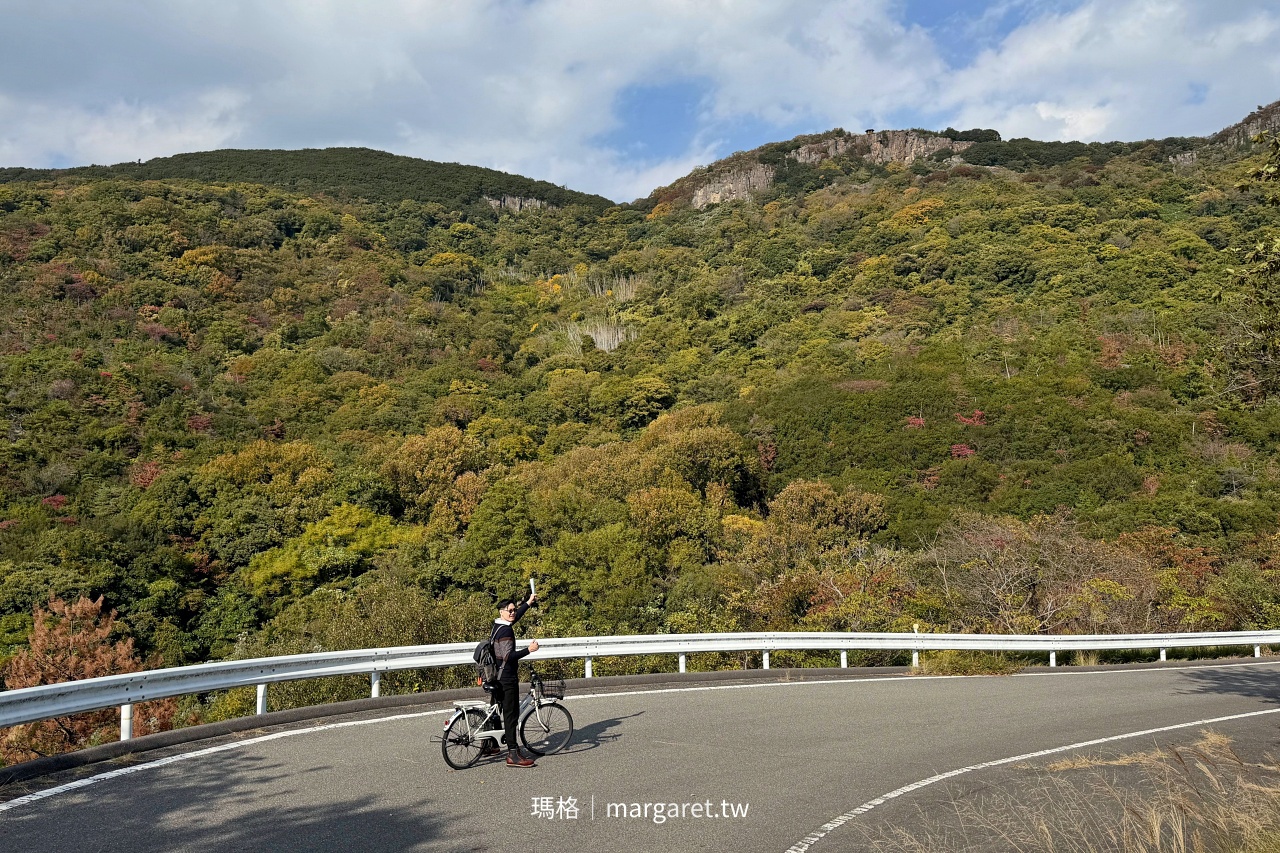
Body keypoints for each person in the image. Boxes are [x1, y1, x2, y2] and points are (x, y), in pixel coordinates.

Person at [489, 592, 540, 768]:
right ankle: (512, 754)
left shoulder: (497, 625)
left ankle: (490, 745)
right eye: (509, 610)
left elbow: (515, 618)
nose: (512, 613)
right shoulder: (506, 631)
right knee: (511, 716)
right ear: (502, 612)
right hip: (507, 678)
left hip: (496, 676)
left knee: (495, 711)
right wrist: (529, 650)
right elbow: (508, 656)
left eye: (514, 610)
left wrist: (528, 602)